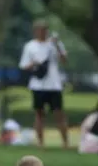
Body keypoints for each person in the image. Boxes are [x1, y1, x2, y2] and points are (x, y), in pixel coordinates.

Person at [18, 21, 69, 149]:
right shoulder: (30, 46)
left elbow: (64, 60)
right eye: (40, 30)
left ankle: (65, 143)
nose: (43, 32)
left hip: (54, 84)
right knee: (39, 114)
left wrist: (57, 44)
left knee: (59, 114)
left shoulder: (54, 44)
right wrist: (35, 64)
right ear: (35, 31)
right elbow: (24, 65)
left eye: (45, 30)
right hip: (38, 85)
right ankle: (41, 143)